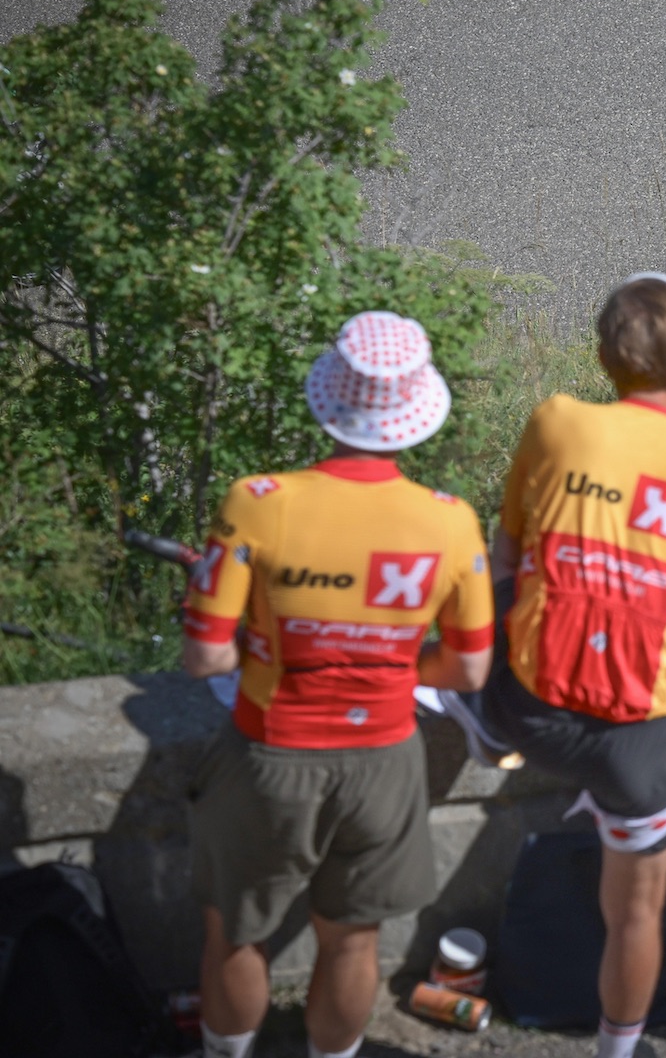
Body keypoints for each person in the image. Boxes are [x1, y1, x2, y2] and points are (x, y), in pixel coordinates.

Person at [180, 311, 494, 1058]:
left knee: (236, 935)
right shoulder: (449, 522)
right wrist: (384, 663)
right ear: (413, 416)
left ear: (330, 400)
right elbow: (469, 669)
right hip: (385, 757)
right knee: (353, 942)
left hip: (268, 754)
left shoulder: (257, 500)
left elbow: (205, 660)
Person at [482, 272, 666, 1058]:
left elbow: (506, 554)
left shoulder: (556, 422)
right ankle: (618, 1047)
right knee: (635, 912)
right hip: (641, 746)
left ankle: (479, 730)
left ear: (604, 357)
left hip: (529, 713)